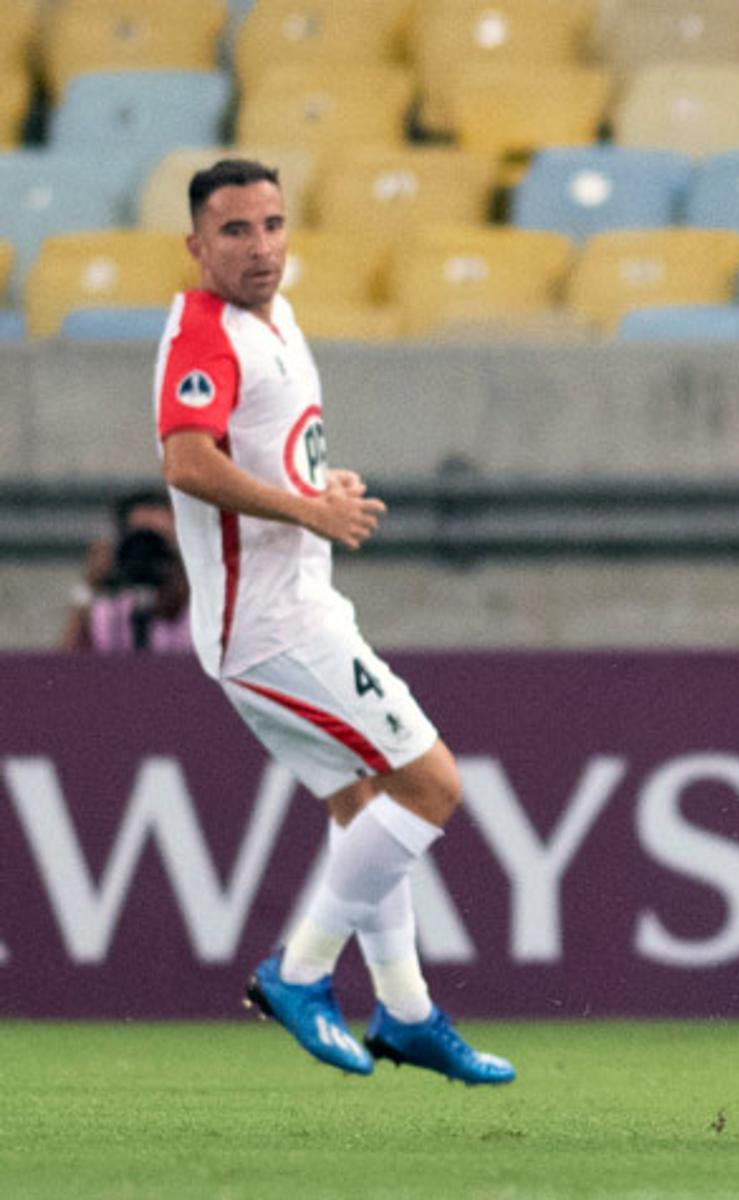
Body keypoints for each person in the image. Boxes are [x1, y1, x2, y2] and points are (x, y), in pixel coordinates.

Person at [154, 158, 512, 1084]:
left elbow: (262, 450)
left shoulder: (275, 316)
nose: (260, 246)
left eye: (271, 224)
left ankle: (405, 1011)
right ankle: (298, 973)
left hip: (295, 607)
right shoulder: (202, 331)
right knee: (431, 787)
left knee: (362, 803)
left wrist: (319, 485)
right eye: (235, 231)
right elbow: (189, 463)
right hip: (271, 625)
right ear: (196, 245)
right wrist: (308, 511)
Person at [63, 490, 194, 654]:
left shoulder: (203, 606)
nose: (148, 553)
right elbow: (66, 666)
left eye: (157, 543)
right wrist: (89, 586)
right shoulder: (108, 610)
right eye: (140, 542)